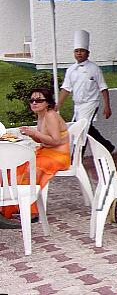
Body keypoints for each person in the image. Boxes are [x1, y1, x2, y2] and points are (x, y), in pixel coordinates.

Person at [1, 88, 70, 220]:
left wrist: (34, 133)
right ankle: (12, 205)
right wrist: (31, 134)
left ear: (47, 103)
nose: (34, 103)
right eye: (32, 100)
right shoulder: (41, 115)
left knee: (29, 170)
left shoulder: (50, 115)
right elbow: (42, 139)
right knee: (15, 167)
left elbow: (56, 141)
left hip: (58, 156)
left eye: (39, 100)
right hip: (47, 152)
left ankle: (31, 211)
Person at [57, 30, 115, 153]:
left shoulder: (94, 69)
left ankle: (78, 157)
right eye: (77, 51)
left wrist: (107, 106)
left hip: (91, 103)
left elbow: (103, 88)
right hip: (78, 105)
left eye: (82, 51)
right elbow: (66, 89)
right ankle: (107, 146)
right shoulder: (71, 70)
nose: (79, 53)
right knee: (87, 128)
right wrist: (58, 105)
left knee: (81, 129)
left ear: (87, 53)